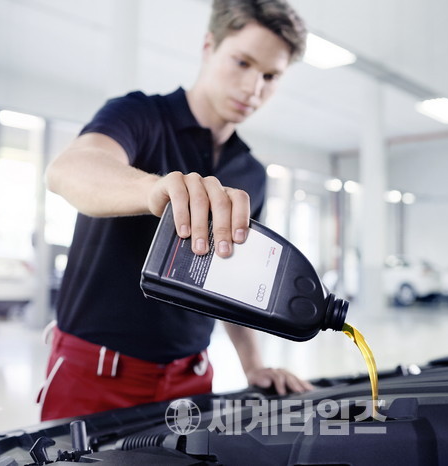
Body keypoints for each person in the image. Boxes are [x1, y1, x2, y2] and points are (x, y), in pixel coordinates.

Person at [38, 0, 314, 421]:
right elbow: (69, 169)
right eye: (242, 62)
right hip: (94, 373)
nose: (253, 87)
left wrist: (253, 365)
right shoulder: (139, 115)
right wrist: (154, 189)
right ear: (209, 46)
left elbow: (234, 282)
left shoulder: (252, 174)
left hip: (192, 378)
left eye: (270, 76)